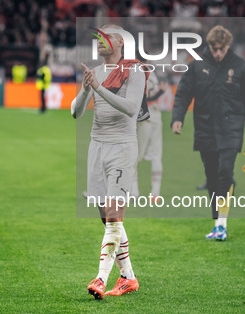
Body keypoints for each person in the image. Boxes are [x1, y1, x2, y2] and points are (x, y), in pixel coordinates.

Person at [72, 24, 147, 299]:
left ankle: (100, 279)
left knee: (115, 217)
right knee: (107, 220)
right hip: (97, 148)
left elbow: (131, 109)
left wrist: (98, 88)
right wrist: (85, 90)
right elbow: (75, 112)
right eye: (98, 37)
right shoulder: (96, 72)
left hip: (122, 148)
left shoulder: (134, 70)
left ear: (121, 43)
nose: (100, 41)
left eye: (107, 37)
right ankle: (128, 277)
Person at [171, 25, 245, 241]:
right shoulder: (196, 66)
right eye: (214, 49)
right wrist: (177, 118)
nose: (218, 53)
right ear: (209, 46)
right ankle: (216, 222)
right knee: (212, 178)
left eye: (222, 49)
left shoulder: (241, 67)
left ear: (228, 46)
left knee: (225, 172)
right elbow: (183, 94)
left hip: (231, 129)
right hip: (205, 129)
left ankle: (222, 223)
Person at [136, 71, 167, 200]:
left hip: (143, 116)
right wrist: (160, 92)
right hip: (155, 116)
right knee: (156, 155)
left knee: (135, 155)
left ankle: (134, 192)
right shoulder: (154, 73)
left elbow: (140, 99)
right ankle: (155, 193)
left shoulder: (135, 72)